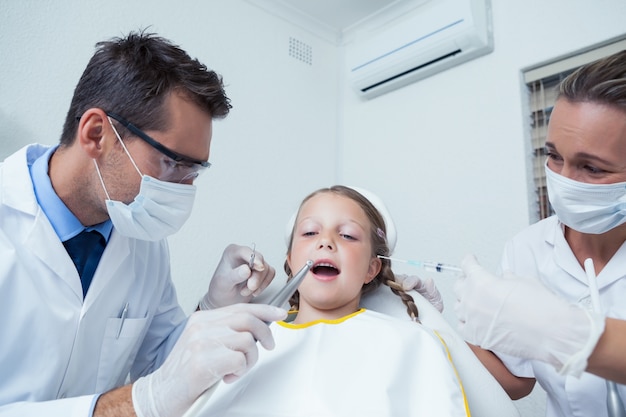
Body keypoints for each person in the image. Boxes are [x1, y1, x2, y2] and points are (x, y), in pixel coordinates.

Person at [0, 30, 288, 417]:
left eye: (195, 171)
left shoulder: (142, 240)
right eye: (172, 163)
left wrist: (215, 307)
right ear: (96, 134)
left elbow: (164, 366)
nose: (185, 188)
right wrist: (140, 403)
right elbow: (155, 392)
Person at [454, 49, 626, 417]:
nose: (562, 180)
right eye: (554, 156)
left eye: (592, 168)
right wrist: (436, 324)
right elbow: (517, 382)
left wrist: (568, 336)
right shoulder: (527, 249)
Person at [197, 185, 470, 416]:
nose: (326, 241)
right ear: (290, 261)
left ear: (371, 268)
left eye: (348, 235)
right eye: (310, 232)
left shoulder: (412, 345)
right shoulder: (242, 344)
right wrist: (210, 309)